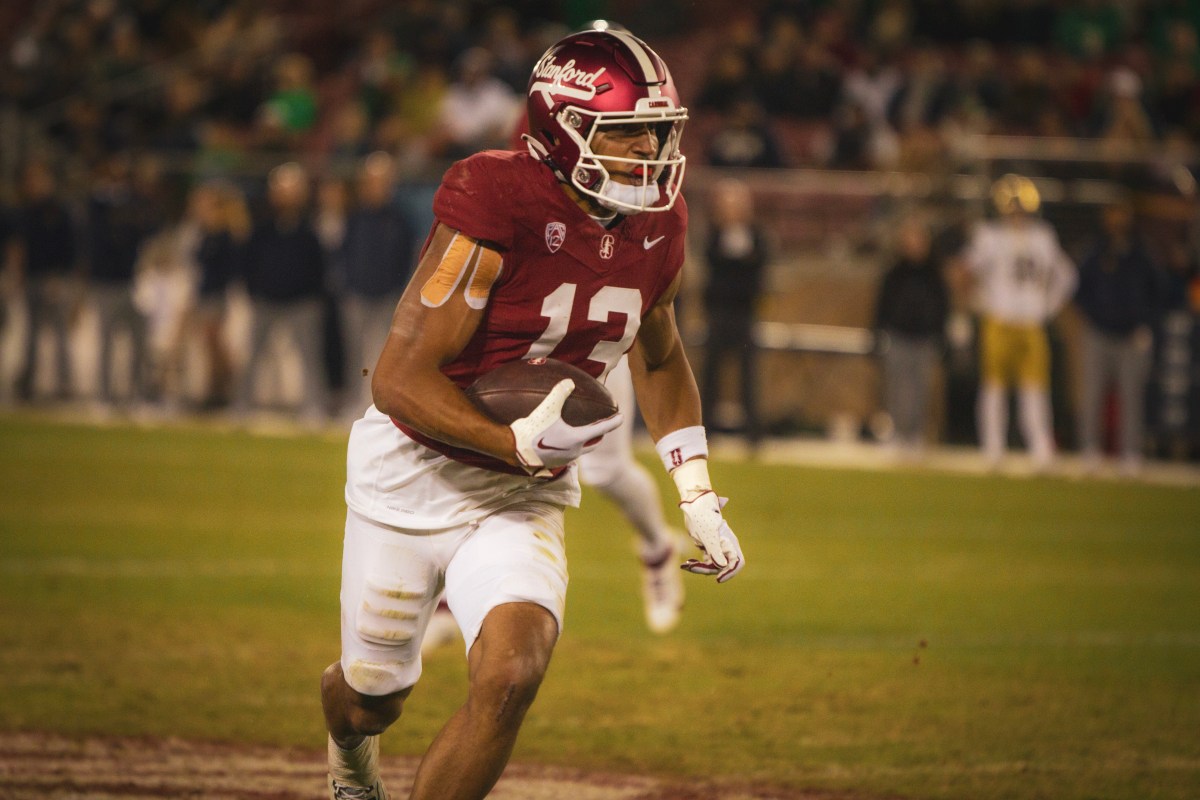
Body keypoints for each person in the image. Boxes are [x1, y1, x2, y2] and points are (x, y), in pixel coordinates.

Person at [321, 29, 745, 800]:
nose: (649, 149)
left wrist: (696, 490)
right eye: (627, 133)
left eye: (657, 129)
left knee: (513, 673)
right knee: (369, 698)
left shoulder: (661, 222)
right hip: (413, 475)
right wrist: (508, 441)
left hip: (523, 491)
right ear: (563, 129)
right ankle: (350, 764)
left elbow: (657, 354)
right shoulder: (496, 194)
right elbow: (398, 378)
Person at [962, 174, 1077, 471]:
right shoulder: (989, 235)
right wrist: (981, 301)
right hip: (999, 322)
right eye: (1011, 207)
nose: (1016, 213)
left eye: (1019, 207)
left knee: (1035, 391)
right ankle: (993, 449)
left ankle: (1040, 450)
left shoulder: (1043, 237)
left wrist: (1046, 308)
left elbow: (1066, 277)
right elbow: (967, 271)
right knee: (993, 389)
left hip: (1029, 324)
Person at [1073, 199, 1162, 475]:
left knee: (1131, 396)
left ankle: (1131, 453)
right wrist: (1091, 317)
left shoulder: (1141, 251)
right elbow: (1079, 288)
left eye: (1121, 214)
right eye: (1113, 214)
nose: (1117, 220)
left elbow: (1157, 289)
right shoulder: (1095, 250)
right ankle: (1089, 450)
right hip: (1099, 333)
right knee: (1092, 395)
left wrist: (1146, 324)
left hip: (1131, 336)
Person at [235, 162, 328, 422]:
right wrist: (255, 292)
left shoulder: (311, 227)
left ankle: (314, 407)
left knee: (310, 357)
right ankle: (241, 405)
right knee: (252, 355)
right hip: (266, 301)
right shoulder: (261, 226)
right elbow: (248, 262)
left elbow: (318, 265)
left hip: (301, 302)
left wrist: (311, 294)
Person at [335, 152, 416, 420]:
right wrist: (346, 285)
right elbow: (343, 254)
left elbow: (408, 259)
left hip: (388, 297)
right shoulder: (354, 217)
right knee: (355, 355)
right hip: (357, 295)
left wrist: (400, 294)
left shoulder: (400, 219)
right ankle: (353, 402)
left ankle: (378, 407)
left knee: (383, 356)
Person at [873, 213, 949, 457]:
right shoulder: (894, 272)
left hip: (924, 338)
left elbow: (942, 306)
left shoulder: (934, 273)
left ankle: (915, 434)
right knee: (896, 388)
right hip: (898, 335)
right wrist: (877, 332)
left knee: (921, 390)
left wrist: (941, 333)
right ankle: (897, 433)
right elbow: (881, 304)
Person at [700, 178, 769, 449]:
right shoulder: (714, 234)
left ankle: (753, 434)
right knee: (711, 374)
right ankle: (705, 430)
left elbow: (757, 268)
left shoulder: (756, 235)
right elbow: (713, 266)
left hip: (745, 313)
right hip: (718, 312)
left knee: (748, 375)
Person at [8, 162, 80, 403]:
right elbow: (18, 246)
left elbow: (71, 248)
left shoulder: (59, 210)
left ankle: (65, 384)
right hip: (31, 278)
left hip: (55, 278)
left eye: (38, 179)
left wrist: (61, 277)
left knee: (60, 333)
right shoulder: (25, 210)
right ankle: (27, 384)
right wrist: (16, 275)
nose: (34, 184)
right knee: (30, 335)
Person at [189, 180, 250, 409]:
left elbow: (230, 271)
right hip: (207, 295)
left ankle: (223, 391)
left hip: (219, 296)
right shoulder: (205, 234)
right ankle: (215, 391)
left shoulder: (225, 235)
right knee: (209, 348)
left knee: (218, 347)